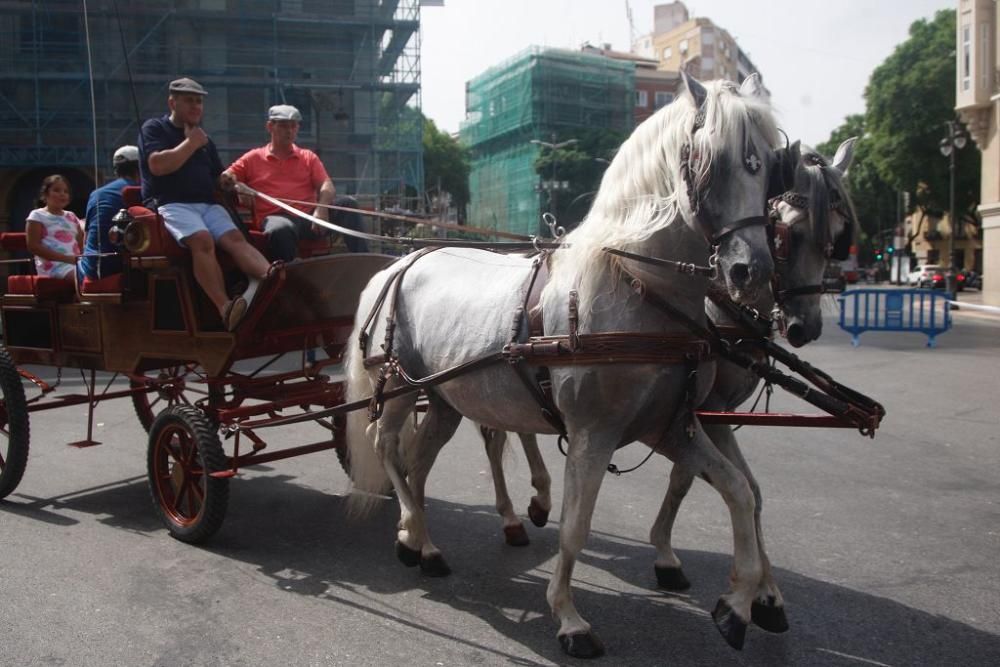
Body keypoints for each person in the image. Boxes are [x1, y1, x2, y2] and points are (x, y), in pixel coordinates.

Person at [138, 77, 271, 330]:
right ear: (172, 102)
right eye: (189, 100)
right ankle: (225, 308)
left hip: (206, 203)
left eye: (199, 101)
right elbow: (158, 166)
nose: (196, 106)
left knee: (235, 239)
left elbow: (216, 177)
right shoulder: (154, 129)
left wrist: (228, 181)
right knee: (202, 240)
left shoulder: (204, 140)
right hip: (171, 203)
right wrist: (191, 143)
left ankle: (274, 281)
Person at [220, 104, 368, 260]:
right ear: (270, 127)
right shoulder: (253, 158)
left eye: (293, 126)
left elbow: (327, 185)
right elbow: (226, 178)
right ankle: (289, 275)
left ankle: (365, 261)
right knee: (281, 228)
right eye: (283, 126)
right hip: (277, 217)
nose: (289, 131)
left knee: (349, 205)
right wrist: (237, 186)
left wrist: (321, 209)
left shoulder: (308, 157)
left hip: (310, 218)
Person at [81, 145, 140, 281]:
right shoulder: (140, 191)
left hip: (92, 267)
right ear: (140, 168)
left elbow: (87, 237)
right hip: (124, 267)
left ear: (116, 170)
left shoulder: (96, 194)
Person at [25, 174, 83, 279]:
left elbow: (81, 244)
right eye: (57, 190)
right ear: (45, 194)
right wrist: (67, 259)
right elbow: (33, 247)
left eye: (65, 192)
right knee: (82, 277)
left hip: (76, 263)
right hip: (53, 266)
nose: (62, 194)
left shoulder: (72, 216)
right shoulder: (37, 215)